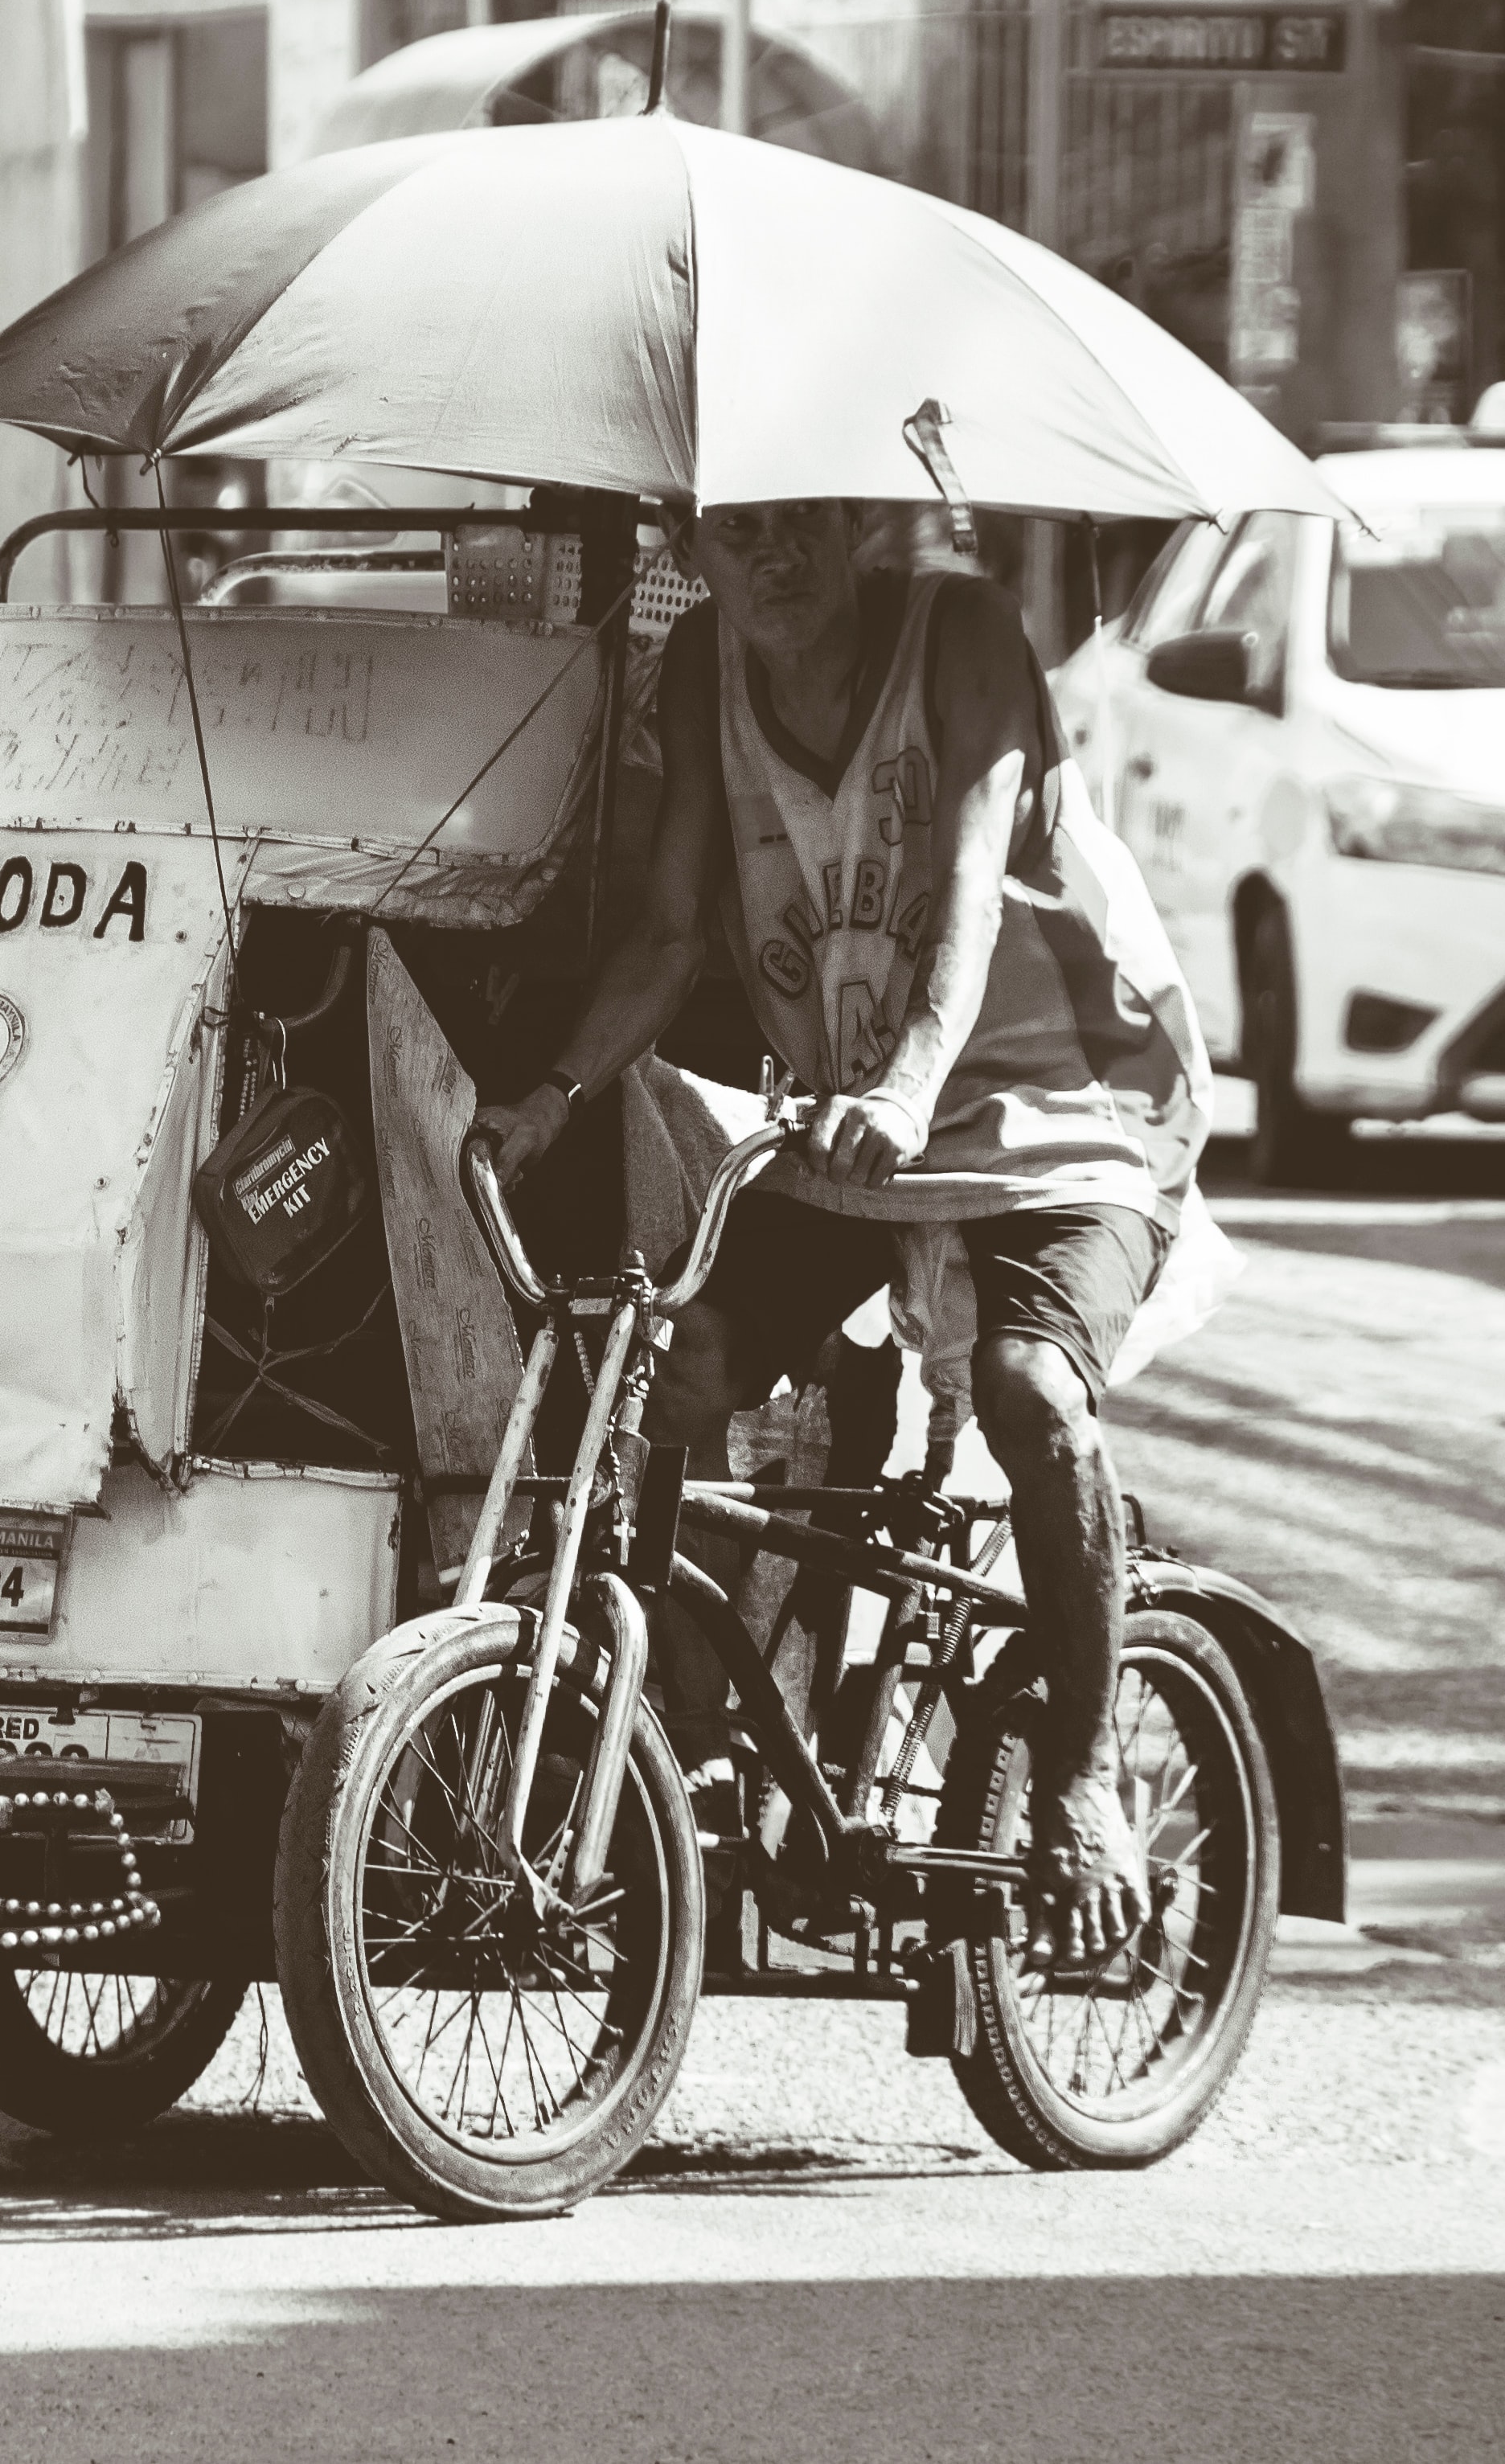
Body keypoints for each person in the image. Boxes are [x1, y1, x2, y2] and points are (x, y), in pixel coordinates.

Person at [472, 497, 1211, 1968]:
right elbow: (677, 927)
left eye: (805, 523)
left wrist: (911, 1080)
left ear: (861, 523)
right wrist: (553, 1095)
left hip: (1062, 1112)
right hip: (849, 1129)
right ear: (694, 542)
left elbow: (968, 880)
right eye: (740, 532)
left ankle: (1074, 1778)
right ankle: (671, 1722)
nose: (777, 560)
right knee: (662, 1373)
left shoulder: (962, 632)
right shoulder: (700, 670)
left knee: (1028, 1390)